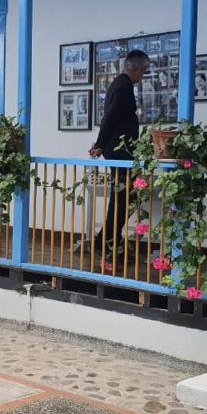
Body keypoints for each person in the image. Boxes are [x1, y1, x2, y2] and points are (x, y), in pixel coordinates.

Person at [89, 50, 149, 262]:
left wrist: (101, 143)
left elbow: (111, 117)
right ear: (140, 68)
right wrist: (99, 143)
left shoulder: (119, 84)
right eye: (145, 70)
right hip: (119, 151)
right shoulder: (124, 87)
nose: (144, 74)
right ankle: (108, 244)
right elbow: (111, 117)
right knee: (124, 198)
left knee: (121, 198)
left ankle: (104, 242)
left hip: (118, 150)